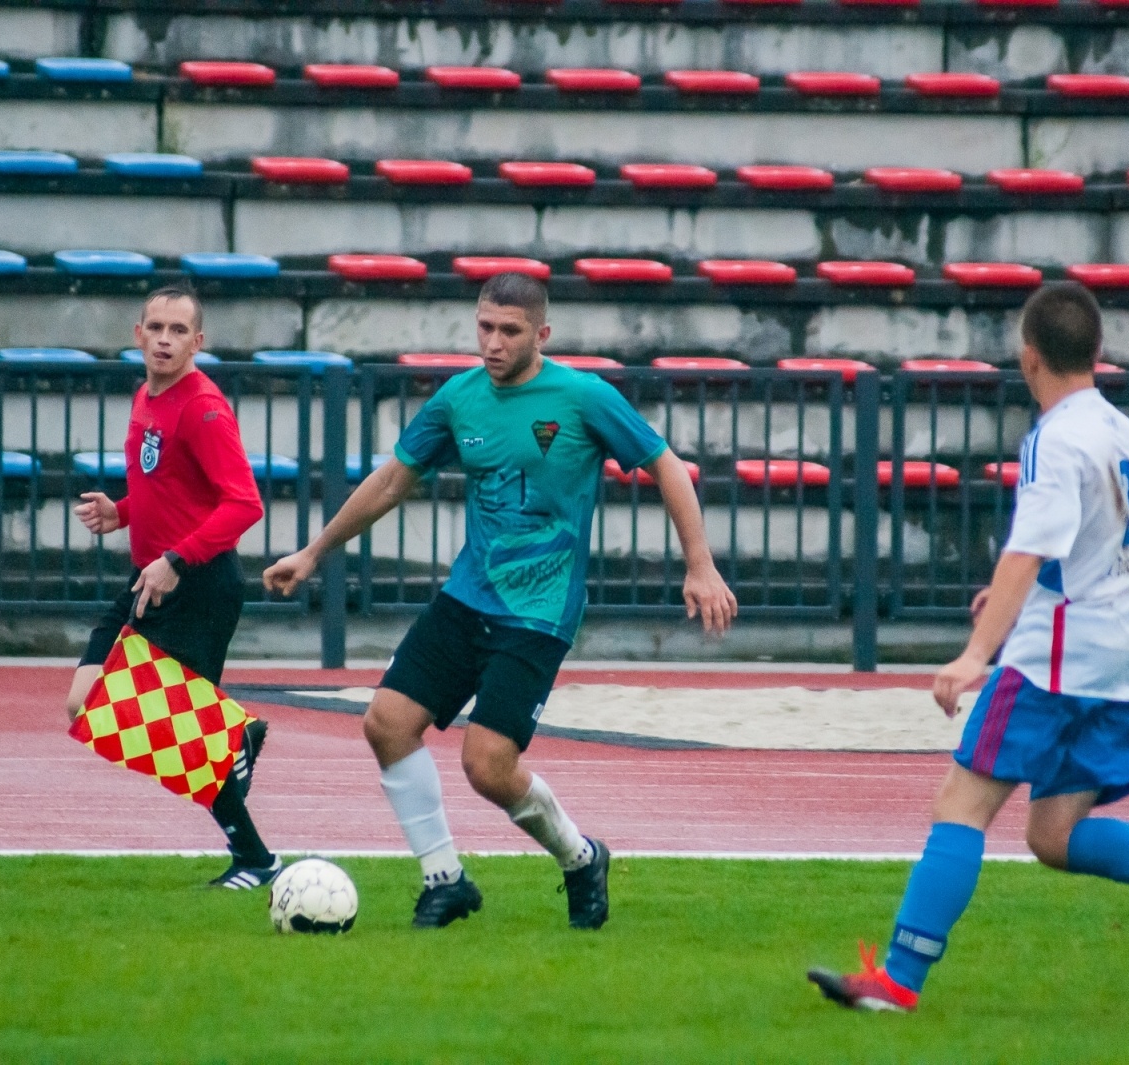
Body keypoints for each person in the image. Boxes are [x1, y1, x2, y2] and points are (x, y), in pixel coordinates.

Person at [808, 283, 1129, 1012]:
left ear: (1029, 357)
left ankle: (897, 981)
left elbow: (1030, 547)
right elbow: (1089, 544)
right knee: (1053, 834)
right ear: (1098, 353)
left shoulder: (1054, 437)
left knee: (961, 806)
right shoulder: (1122, 432)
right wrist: (1028, 591)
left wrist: (975, 653)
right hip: (1121, 654)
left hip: (1056, 658)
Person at [264, 272, 737, 929]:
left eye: (509, 331)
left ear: (541, 335)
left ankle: (579, 858)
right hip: (467, 598)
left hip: (539, 614)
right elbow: (394, 477)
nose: (493, 342)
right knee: (386, 723)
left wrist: (700, 566)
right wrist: (314, 552)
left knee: (487, 766)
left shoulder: (581, 397)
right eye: (485, 326)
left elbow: (665, 465)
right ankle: (444, 880)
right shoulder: (460, 398)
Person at [68, 283, 280, 889]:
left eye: (178, 330)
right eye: (155, 327)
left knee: (182, 734)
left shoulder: (204, 408)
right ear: (138, 334)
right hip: (152, 577)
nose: (165, 339)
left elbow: (243, 504)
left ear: (198, 342)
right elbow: (172, 489)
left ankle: (256, 860)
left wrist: (175, 561)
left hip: (198, 584)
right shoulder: (146, 394)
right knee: (84, 699)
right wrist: (123, 512)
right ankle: (234, 735)